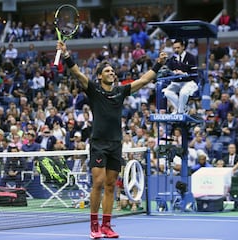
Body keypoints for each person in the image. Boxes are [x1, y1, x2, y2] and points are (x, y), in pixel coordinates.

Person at [56, 40, 167, 239]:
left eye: (112, 71)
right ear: (100, 76)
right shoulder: (93, 90)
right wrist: (66, 55)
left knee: (110, 185)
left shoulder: (120, 91)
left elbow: (143, 81)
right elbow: (77, 73)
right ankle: (94, 225)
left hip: (116, 144)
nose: (112, 73)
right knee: (97, 182)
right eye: (107, 71)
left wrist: (158, 63)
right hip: (98, 143)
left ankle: (107, 225)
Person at [161, 39, 198, 114]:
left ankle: (180, 112)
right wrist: (172, 72)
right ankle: (183, 108)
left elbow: (194, 73)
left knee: (183, 92)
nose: (176, 50)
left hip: (189, 82)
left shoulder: (191, 57)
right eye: (174, 48)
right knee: (166, 92)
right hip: (177, 82)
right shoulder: (172, 58)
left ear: (183, 47)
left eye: (178, 47)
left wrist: (183, 73)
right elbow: (167, 70)